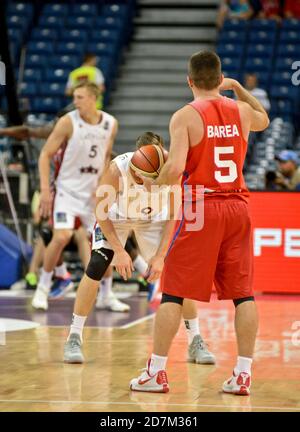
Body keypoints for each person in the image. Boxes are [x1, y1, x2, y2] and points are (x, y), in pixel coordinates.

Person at [130, 50, 269, 395]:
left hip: (200, 206)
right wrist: (237, 88)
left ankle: (156, 373)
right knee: (243, 296)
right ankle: (243, 375)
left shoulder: (185, 116)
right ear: (220, 79)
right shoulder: (241, 111)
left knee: (173, 294)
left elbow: (175, 169)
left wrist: (153, 184)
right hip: (237, 204)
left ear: (189, 80)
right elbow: (264, 118)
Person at [63, 132, 215, 366]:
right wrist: (120, 251)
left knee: (178, 273)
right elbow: (101, 214)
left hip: (154, 219)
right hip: (118, 218)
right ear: (137, 170)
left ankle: (195, 339)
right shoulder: (116, 171)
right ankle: (74, 336)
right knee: (97, 263)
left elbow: (173, 216)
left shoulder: (172, 168)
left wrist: (161, 256)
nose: (153, 184)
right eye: (148, 179)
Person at [31, 82, 130, 313]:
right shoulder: (68, 122)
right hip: (66, 190)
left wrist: (102, 184)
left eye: (80, 97)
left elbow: (106, 156)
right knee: (61, 236)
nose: (75, 101)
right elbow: (45, 155)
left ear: (93, 98)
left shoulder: (110, 123)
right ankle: (43, 288)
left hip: (92, 194)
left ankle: (106, 295)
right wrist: (46, 190)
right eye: (75, 97)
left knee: (103, 243)